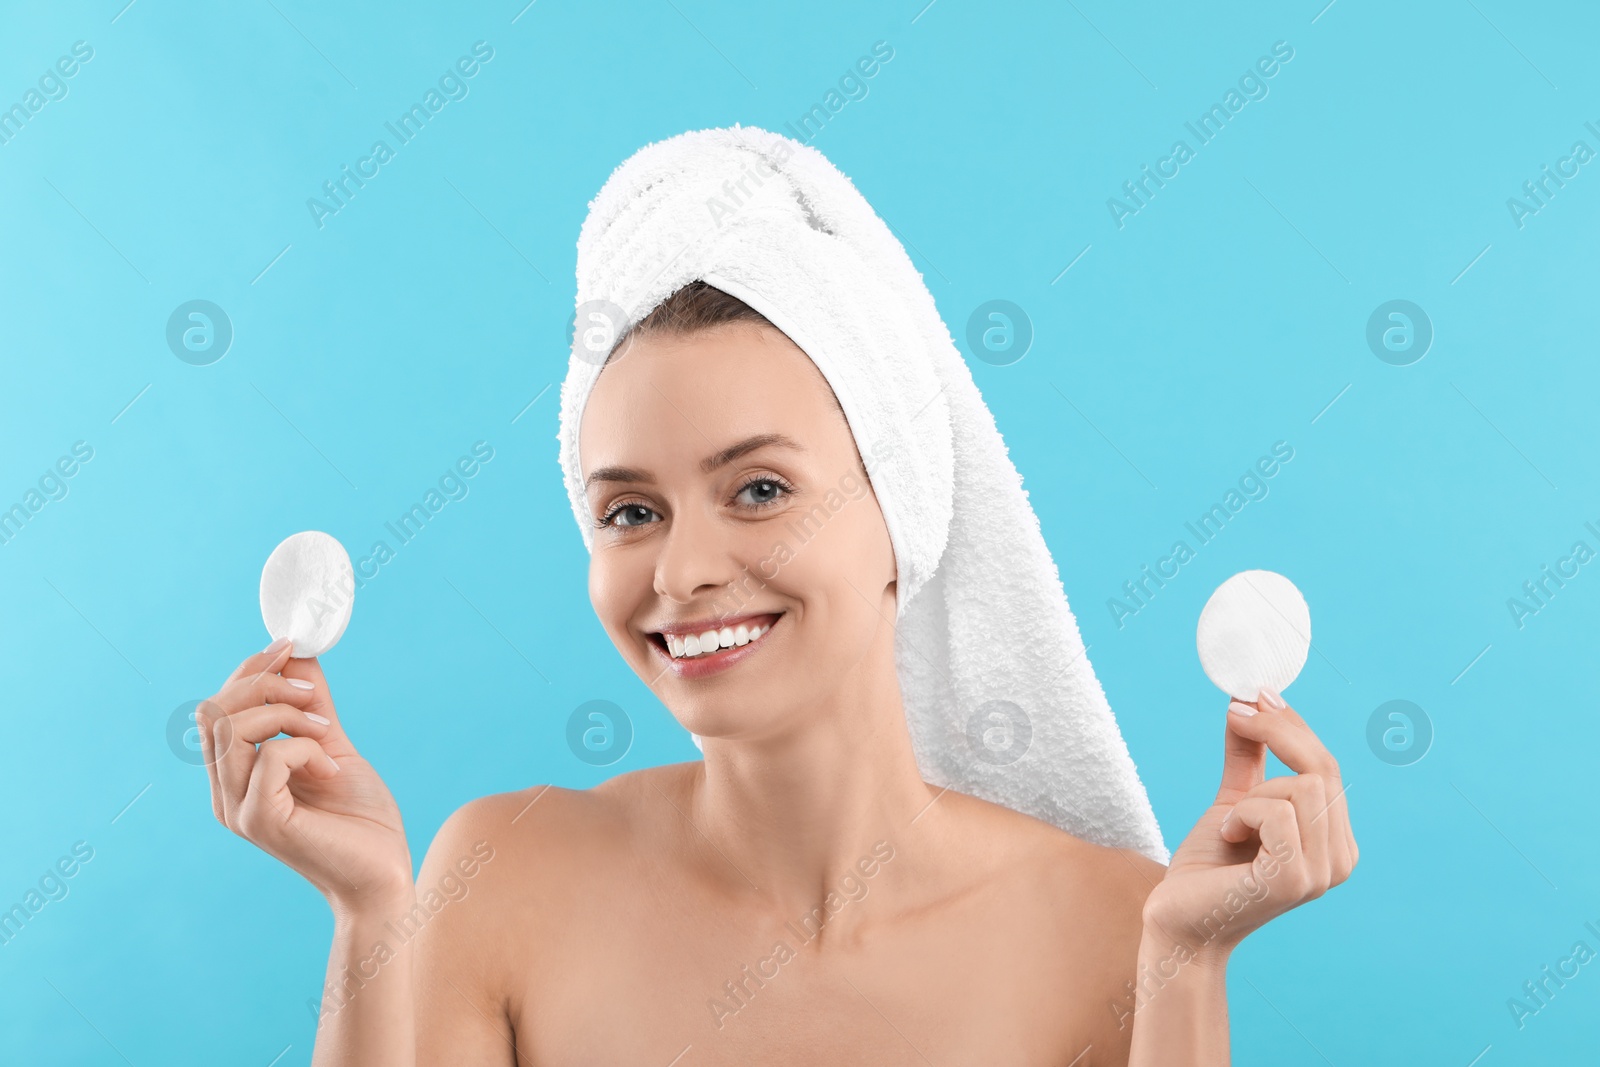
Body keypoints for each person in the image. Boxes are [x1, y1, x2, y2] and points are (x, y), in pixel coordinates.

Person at [197, 138, 1355, 1066]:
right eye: (629, 510)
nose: (681, 570)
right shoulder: (505, 876)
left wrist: (1188, 962)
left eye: (758, 490)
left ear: (900, 515)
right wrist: (367, 918)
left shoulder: (1115, 927)